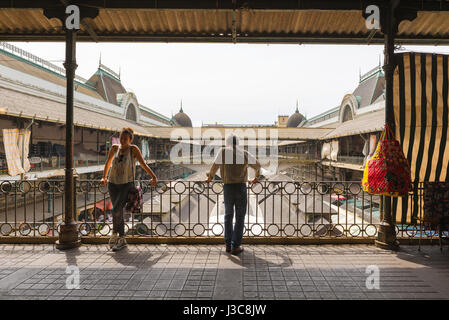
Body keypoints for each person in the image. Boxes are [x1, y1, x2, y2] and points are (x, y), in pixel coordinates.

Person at [101, 127, 158, 251]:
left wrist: (153, 176)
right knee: (117, 210)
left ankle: (117, 235)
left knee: (116, 208)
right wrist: (104, 177)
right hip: (112, 183)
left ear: (130, 139)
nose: (122, 140)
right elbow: (108, 162)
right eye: (121, 137)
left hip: (126, 183)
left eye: (125, 139)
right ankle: (120, 238)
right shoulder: (114, 148)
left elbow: (143, 164)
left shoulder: (133, 149)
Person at [205, 134, 261, 255]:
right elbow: (258, 166)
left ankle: (228, 245)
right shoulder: (244, 153)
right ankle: (235, 245)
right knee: (240, 217)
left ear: (227, 143)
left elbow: (214, 167)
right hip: (241, 187)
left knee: (228, 215)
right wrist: (256, 178)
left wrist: (210, 177)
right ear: (238, 143)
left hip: (228, 187)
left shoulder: (223, 152)